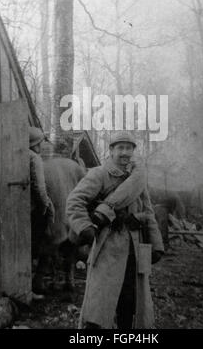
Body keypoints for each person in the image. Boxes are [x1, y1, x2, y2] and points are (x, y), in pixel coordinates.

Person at [66, 131, 164, 329]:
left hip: (133, 249)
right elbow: (74, 202)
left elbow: (148, 210)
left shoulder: (137, 178)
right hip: (107, 247)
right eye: (120, 148)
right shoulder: (99, 174)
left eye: (129, 148)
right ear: (111, 150)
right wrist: (86, 228)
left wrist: (156, 244)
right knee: (100, 301)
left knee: (129, 300)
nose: (125, 153)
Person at [29, 126, 55, 295]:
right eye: (40, 143)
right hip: (33, 209)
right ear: (36, 144)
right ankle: (36, 282)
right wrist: (46, 205)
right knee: (44, 239)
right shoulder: (35, 158)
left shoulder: (16, 153)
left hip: (17, 208)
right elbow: (40, 187)